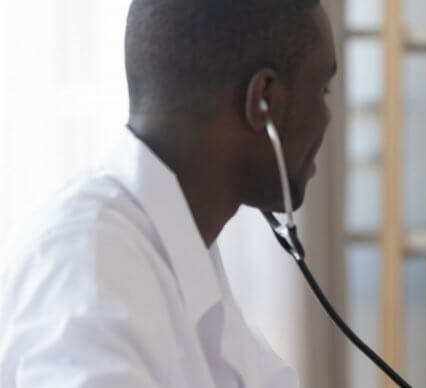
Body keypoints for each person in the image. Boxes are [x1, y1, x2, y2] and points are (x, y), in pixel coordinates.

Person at [0, 0, 336, 387]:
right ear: (263, 101)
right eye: (322, 90)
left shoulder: (184, 252)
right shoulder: (86, 263)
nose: (327, 120)